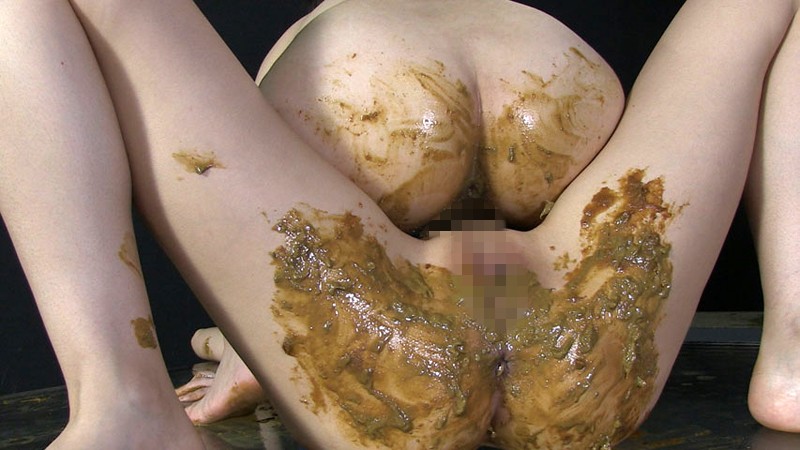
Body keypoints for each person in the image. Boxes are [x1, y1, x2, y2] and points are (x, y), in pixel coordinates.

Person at [0, 0, 797, 449]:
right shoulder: (540, 31)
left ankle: (122, 400)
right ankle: (794, 349)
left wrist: (249, 341)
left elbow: (265, 224)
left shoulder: (329, 31)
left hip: (382, 363)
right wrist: (247, 343)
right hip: (593, 356)